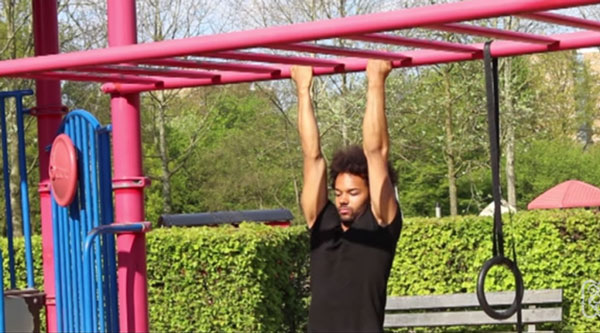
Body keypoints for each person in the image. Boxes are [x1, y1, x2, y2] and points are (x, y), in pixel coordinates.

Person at [291, 59, 403, 333]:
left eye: (353, 193)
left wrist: (376, 83)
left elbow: (376, 153)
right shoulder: (322, 221)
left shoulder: (381, 224)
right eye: (339, 192)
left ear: (369, 194)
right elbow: (312, 157)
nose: (343, 199)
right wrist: (303, 91)